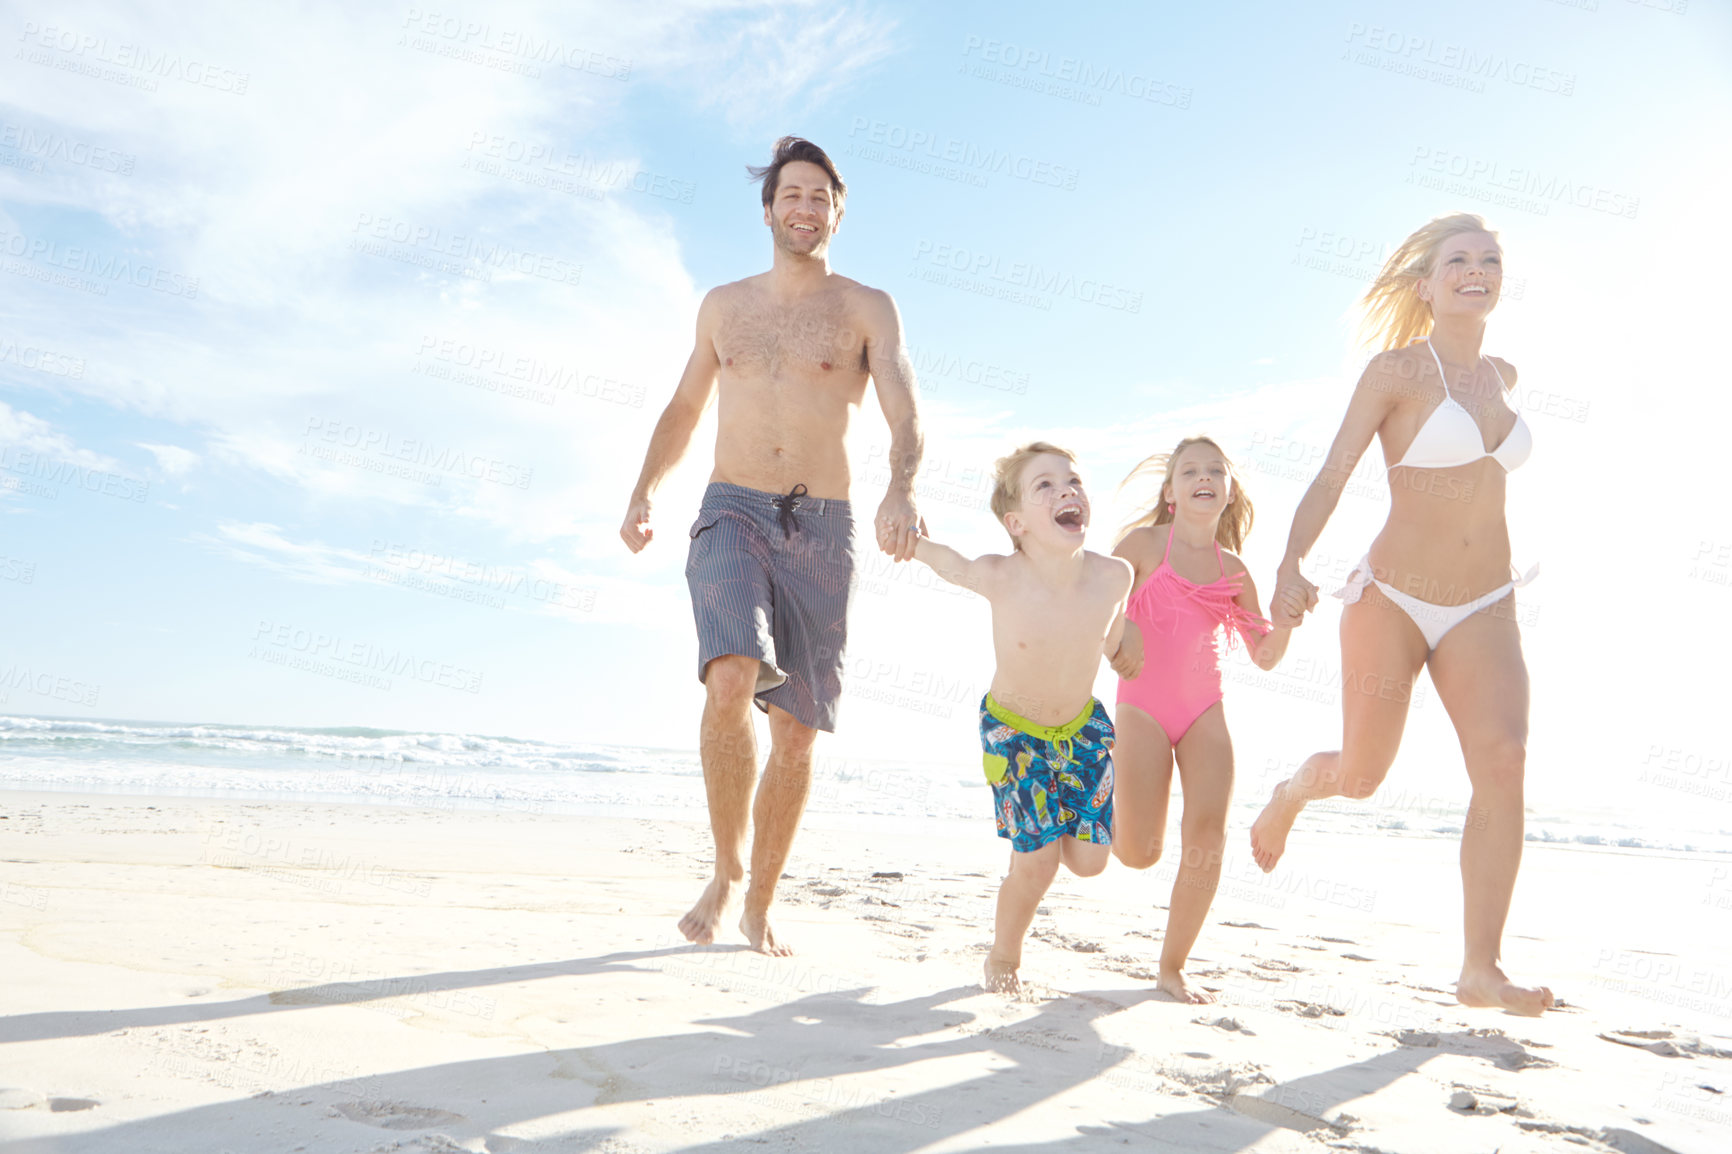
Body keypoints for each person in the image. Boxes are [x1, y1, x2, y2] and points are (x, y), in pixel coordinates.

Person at [619, 137, 923, 957]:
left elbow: (903, 409)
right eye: (792, 194)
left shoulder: (868, 308)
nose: (805, 208)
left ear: (838, 210)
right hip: (733, 512)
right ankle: (725, 872)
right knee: (730, 678)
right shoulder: (724, 306)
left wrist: (901, 486)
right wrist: (645, 488)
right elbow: (684, 410)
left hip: (824, 525)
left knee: (795, 733)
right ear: (768, 210)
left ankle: (761, 902)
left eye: (820, 196)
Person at [1249, 212, 1554, 1014]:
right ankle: (1289, 793)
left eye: (1489, 259)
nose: (1476, 269)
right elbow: (1331, 476)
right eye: (1458, 259)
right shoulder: (1396, 373)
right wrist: (1290, 563)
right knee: (1360, 776)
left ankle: (1480, 967)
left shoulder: (1504, 376)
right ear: (1426, 286)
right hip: (1394, 598)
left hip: (1487, 601)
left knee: (1505, 760)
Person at [911, 442, 1141, 993]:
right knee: (1037, 865)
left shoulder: (1115, 575)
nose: (1067, 490)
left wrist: (1119, 646)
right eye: (1046, 486)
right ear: (1016, 524)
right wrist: (914, 543)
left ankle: (1039, 835)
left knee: (1089, 863)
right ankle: (1004, 956)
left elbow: (1110, 626)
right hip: (1014, 734)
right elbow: (953, 566)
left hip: (1081, 730)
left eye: (1074, 481)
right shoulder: (1001, 575)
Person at [1109, 437, 1293, 1004]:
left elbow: (1264, 654)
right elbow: (1095, 605)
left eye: (1216, 469)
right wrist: (1120, 637)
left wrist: (1285, 619)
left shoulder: (1233, 570)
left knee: (1208, 837)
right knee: (1140, 852)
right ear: (1170, 493)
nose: (1204, 476)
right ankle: (1100, 793)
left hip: (1204, 713)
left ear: (1229, 492)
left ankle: (1171, 966)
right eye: (1190, 470)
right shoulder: (1140, 547)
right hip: (1141, 708)